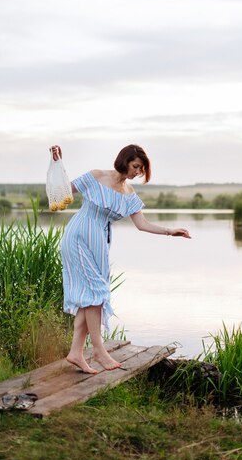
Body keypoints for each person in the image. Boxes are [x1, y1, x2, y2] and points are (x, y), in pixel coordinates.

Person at [50, 143, 191, 374]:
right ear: (125, 160)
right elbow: (63, 191)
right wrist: (58, 164)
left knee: (92, 296)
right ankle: (98, 350)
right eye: (136, 166)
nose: (137, 172)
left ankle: (76, 352)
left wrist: (170, 231)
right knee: (96, 293)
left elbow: (142, 224)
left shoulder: (129, 194)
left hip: (100, 243)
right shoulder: (97, 176)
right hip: (78, 237)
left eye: (141, 170)